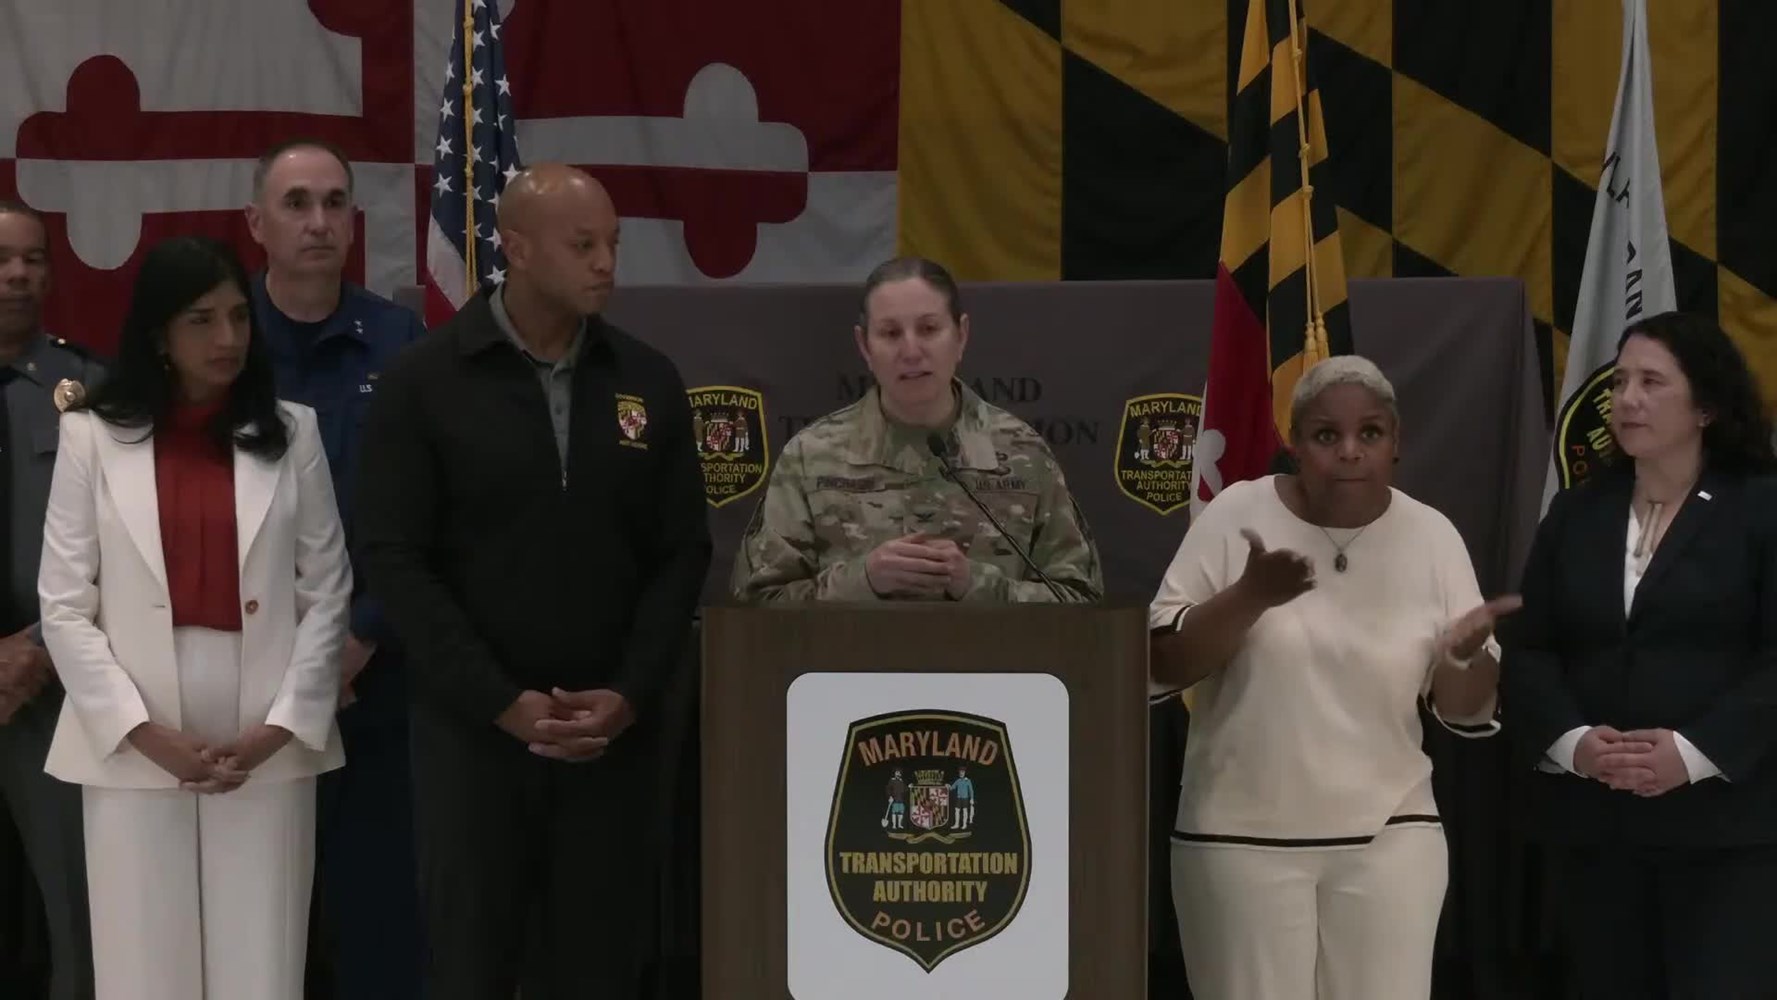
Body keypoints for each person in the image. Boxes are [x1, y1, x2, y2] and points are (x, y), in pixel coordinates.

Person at [354, 163, 710, 1000]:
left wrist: (627, 694)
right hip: (474, 743)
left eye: (613, 243)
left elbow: (681, 554)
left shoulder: (647, 379)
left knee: (602, 968)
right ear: (514, 248)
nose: (605, 263)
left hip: (612, 743)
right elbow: (396, 559)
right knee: (473, 965)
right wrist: (500, 701)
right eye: (583, 245)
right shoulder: (423, 383)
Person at [36, 235, 353, 1000]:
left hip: (265, 730)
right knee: (144, 962)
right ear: (159, 335)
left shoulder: (292, 432)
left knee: (261, 960)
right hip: (133, 728)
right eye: (202, 320)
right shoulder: (90, 435)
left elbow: (326, 591)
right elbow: (65, 604)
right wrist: (141, 732)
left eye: (239, 317)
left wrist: (281, 726)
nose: (227, 338)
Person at [1147, 355, 1518, 1000]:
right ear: (1295, 443)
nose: (1350, 451)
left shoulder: (1432, 535)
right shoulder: (1238, 512)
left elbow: (1465, 711)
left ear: (1396, 442)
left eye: (1369, 433)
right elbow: (1160, 666)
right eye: (1326, 435)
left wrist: (1464, 657)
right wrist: (1250, 597)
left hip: (1393, 837)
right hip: (1240, 841)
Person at [1500, 311, 1777, 998]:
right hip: (1596, 828)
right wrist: (1573, 744)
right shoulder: (1576, 512)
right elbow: (1530, 649)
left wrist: (1692, 753)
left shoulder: (1760, 509)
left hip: (1727, 831)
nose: (1626, 399)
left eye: (1651, 382)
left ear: (1706, 405)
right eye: (1620, 382)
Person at [244, 137, 427, 1000]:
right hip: (246, 676)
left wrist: (360, 635)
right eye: (296, 204)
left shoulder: (401, 343)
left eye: (333, 203)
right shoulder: (222, 338)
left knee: (380, 914)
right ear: (256, 223)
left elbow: (429, 508)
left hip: (372, 678)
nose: (318, 222)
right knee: (252, 918)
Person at [729, 256, 1102, 603]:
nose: (911, 351)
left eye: (928, 329)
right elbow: (755, 604)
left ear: (961, 335)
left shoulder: (1024, 452)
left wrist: (975, 584)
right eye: (891, 333)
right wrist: (864, 580)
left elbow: (1082, 602)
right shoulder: (810, 456)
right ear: (864, 346)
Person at [0, 200, 100, 1000]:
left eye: (33, 259)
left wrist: (32, 648)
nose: (17, 275)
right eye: (2, 259)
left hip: (49, 683)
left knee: (73, 909)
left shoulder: (90, 391)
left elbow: (122, 549)